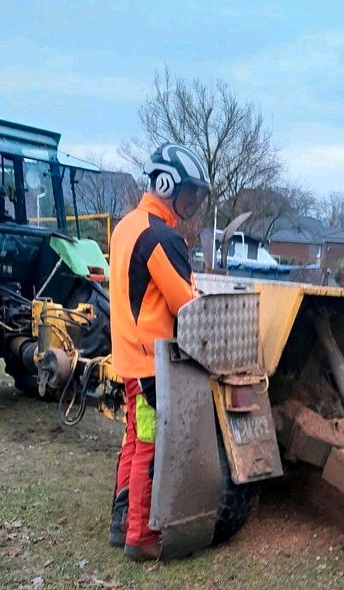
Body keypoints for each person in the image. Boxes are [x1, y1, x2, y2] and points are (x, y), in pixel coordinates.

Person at [108, 143, 209, 560]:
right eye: (190, 193)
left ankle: (120, 524)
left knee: (134, 440)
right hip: (153, 364)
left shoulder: (125, 226)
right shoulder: (160, 236)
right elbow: (184, 303)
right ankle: (141, 538)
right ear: (165, 183)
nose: (194, 202)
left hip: (130, 357)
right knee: (150, 446)